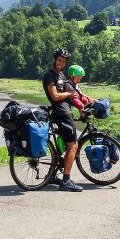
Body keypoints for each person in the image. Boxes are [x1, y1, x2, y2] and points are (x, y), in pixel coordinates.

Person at [42, 48, 83, 192]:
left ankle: (52, 175)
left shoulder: (60, 75)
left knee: (64, 146)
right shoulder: (50, 76)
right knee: (73, 146)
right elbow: (54, 96)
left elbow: (71, 91)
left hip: (64, 111)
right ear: (54, 59)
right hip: (61, 113)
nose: (61, 63)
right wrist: (70, 94)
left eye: (64, 61)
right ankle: (66, 181)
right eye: (59, 60)